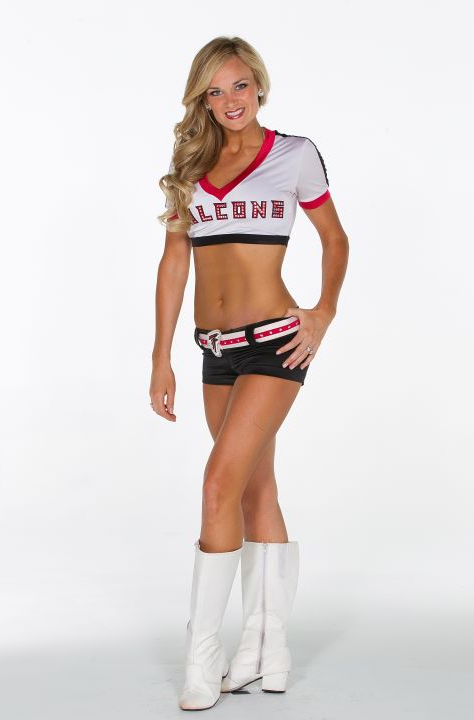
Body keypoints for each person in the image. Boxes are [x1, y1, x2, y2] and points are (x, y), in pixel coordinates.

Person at [149, 36, 350, 711]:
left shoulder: (294, 154)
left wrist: (322, 312)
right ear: (201, 99)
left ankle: (202, 659)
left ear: (258, 86)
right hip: (214, 351)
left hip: (273, 345)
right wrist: (161, 355)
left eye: (239, 86)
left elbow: (335, 238)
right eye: (215, 90)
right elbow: (175, 261)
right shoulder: (193, 164)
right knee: (253, 487)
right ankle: (268, 651)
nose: (230, 100)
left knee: (218, 483)